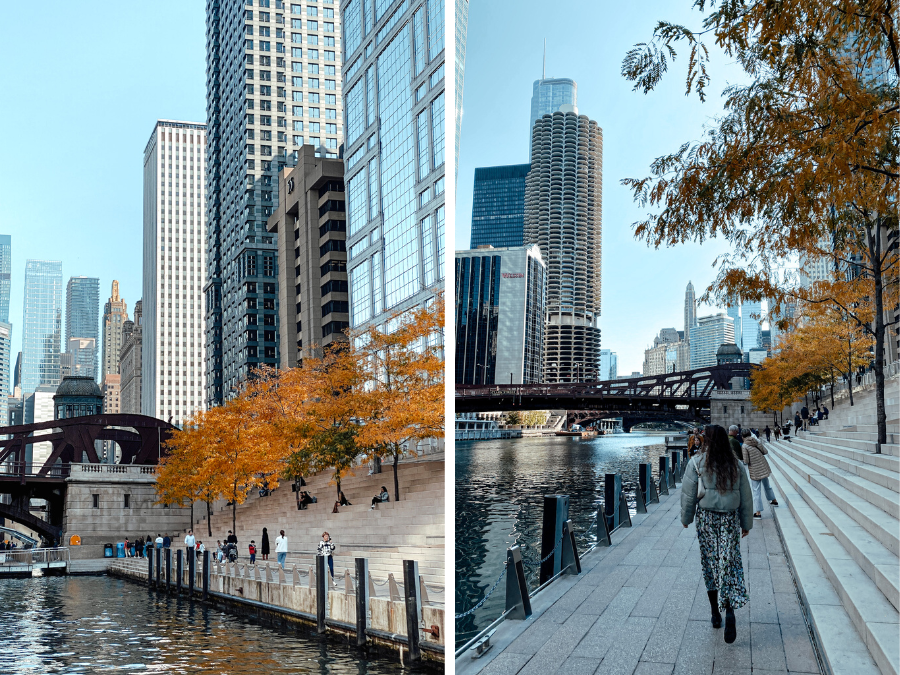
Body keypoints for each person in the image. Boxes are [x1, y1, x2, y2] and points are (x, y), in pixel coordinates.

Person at [681, 424, 753, 644]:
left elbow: (688, 494)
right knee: (729, 562)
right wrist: (746, 523)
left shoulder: (696, 463)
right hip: (730, 519)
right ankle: (729, 608)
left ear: (707, 441)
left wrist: (686, 519)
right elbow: (746, 496)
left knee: (710, 563)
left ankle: (715, 613)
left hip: (706, 520)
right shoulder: (737, 465)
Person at [741, 429, 778, 518]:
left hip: (755, 470)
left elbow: (746, 461)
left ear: (743, 437)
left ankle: (758, 512)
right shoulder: (756, 441)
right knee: (767, 485)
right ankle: (774, 500)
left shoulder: (745, 446)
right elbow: (765, 451)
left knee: (756, 490)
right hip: (763, 466)